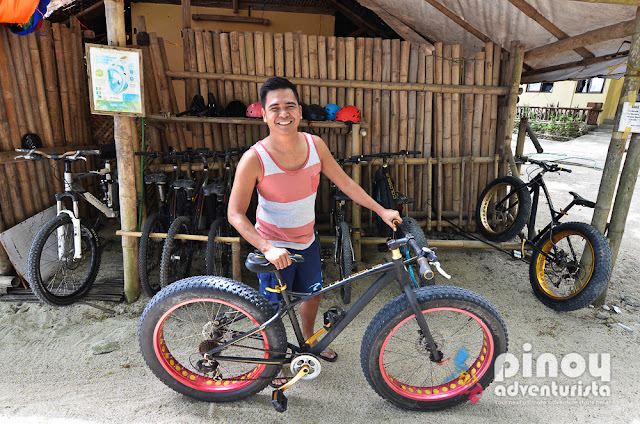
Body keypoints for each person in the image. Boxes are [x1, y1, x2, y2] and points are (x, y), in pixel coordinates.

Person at [227, 76, 401, 364]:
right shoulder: (254, 158)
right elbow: (235, 214)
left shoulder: (315, 145)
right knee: (273, 309)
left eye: (290, 106)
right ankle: (274, 361)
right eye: (275, 108)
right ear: (265, 115)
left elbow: (346, 183)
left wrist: (381, 210)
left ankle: (308, 341)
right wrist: (267, 247)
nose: (284, 114)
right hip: (272, 247)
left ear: (300, 111)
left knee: (312, 295)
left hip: (306, 241)